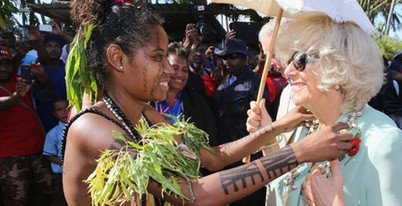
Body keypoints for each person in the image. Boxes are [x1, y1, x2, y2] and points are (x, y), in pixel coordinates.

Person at [62, 1, 354, 205]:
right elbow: (194, 195)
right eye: (157, 57)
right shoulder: (93, 128)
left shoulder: (147, 117)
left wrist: (280, 125)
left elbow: (213, 157)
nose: (169, 69)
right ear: (117, 59)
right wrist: (298, 152)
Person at [248, 13, 402, 205]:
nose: (288, 71)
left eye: (300, 60)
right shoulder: (308, 126)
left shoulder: (384, 143)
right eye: (289, 60)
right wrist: (268, 137)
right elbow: (284, 189)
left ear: (337, 63)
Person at [211, 37, 270, 205]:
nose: (227, 61)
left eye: (233, 56)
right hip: (227, 152)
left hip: (248, 154)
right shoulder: (223, 83)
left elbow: (261, 119)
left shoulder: (255, 84)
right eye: (224, 57)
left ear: (244, 58)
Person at [0, 46, 54, 205]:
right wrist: (18, 96)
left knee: (47, 193)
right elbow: (2, 105)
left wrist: (41, 73)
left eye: (7, 64)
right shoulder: (19, 88)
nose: (3, 68)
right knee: (16, 200)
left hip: (38, 151)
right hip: (9, 156)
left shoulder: (20, 78)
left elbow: (45, 84)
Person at [151, 42, 218, 146]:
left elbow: (210, 139)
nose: (180, 74)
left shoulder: (197, 103)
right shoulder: (147, 101)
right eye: (175, 68)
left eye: (185, 70)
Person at [43, 97, 69, 206]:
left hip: (79, 172)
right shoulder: (53, 133)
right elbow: (48, 155)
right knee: (61, 200)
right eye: (59, 110)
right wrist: (65, 163)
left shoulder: (80, 127)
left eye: (66, 108)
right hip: (61, 174)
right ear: (55, 114)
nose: (64, 112)